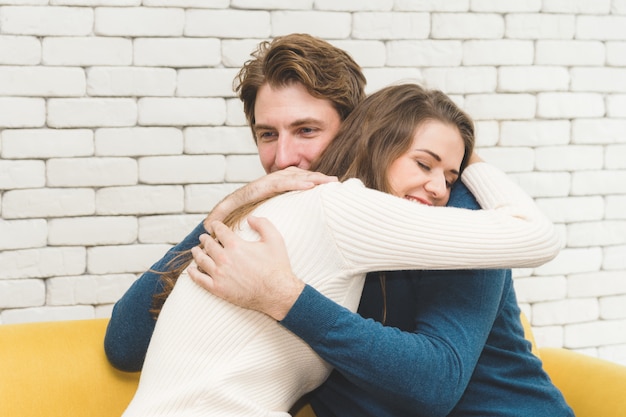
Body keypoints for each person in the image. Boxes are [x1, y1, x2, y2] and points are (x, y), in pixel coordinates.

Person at [120, 83, 564, 417]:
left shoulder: (446, 207)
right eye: (267, 135)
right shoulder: (284, 221)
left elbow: (435, 381)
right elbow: (125, 345)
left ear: (360, 130)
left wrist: (284, 297)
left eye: (307, 131)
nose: (286, 158)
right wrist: (225, 212)